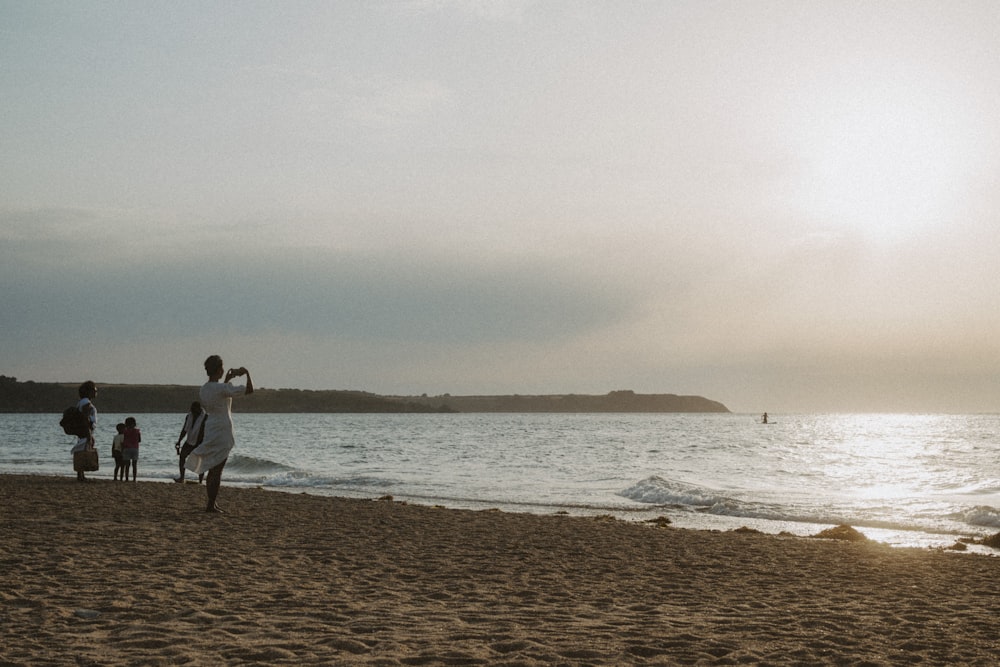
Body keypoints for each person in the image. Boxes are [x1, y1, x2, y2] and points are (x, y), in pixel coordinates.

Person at [185, 355, 253, 513]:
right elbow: (249, 390)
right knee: (217, 469)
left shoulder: (204, 389)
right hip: (222, 430)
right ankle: (211, 503)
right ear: (219, 369)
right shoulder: (220, 389)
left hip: (211, 427)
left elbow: (220, 393)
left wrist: (228, 378)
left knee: (213, 468)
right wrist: (247, 373)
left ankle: (211, 502)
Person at [70, 381, 98, 482]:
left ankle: (80, 474)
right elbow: (85, 417)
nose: (96, 392)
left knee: (81, 449)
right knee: (83, 451)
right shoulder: (86, 402)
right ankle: (80, 475)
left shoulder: (82, 401)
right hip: (85, 430)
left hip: (83, 430)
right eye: (95, 390)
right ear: (89, 391)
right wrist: (89, 433)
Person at [174, 401, 206, 484]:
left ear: (199, 409)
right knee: (182, 457)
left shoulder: (205, 417)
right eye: (192, 410)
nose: (193, 412)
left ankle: (200, 481)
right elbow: (184, 430)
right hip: (189, 441)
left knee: (201, 462)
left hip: (200, 443)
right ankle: (182, 478)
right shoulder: (189, 416)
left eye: (194, 410)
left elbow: (207, 432)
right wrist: (179, 441)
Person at [121, 416, 141, 481]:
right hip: (135, 448)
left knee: (127, 465)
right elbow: (139, 440)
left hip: (127, 448)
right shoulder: (137, 431)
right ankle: (134, 479)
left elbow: (123, 440)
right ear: (134, 423)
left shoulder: (125, 431)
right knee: (134, 465)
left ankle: (126, 478)